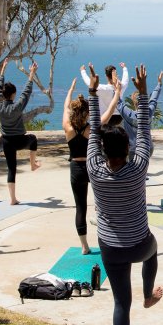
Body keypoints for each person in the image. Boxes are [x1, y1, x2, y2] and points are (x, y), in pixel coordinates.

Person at [85, 63, 163, 325]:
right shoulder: (138, 168)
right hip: (139, 245)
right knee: (153, 249)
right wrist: (142, 93)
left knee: (120, 303)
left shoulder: (94, 169)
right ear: (128, 148)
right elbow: (144, 130)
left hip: (111, 249)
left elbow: (93, 129)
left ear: (102, 150)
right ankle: (148, 294)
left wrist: (93, 93)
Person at [0, 60, 40, 205]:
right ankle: (33, 164)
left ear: (3, 94)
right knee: (33, 139)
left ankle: (13, 199)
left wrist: (2, 70)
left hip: (7, 141)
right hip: (20, 140)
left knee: (11, 169)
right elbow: (26, 92)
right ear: (13, 94)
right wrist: (32, 73)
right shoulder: (17, 107)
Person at [102, 65, 163, 154]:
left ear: (133, 102)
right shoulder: (149, 112)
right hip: (148, 147)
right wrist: (159, 84)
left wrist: (115, 87)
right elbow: (154, 99)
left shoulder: (129, 115)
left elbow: (118, 103)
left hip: (133, 149)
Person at [63, 78, 93, 254]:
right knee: (103, 204)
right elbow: (107, 114)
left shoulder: (68, 128)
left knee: (80, 207)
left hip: (76, 169)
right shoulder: (91, 128)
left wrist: (70, 90)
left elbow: (66, 107)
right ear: (87, 113)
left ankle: (84, 246)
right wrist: (117, 94)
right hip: (91, 168)